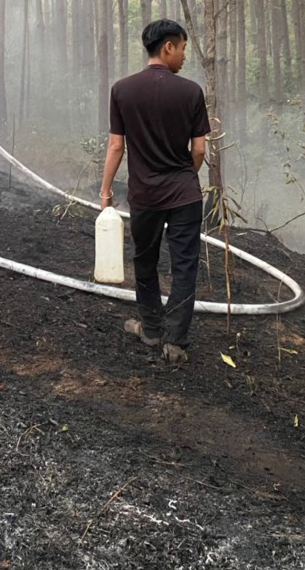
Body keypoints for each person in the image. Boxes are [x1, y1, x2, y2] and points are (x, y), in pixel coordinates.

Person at [99, 19, 210, 365]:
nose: (184, 56)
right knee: (184, 265)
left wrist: (105, 192)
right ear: (167, 47)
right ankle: (175, 341)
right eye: (183, 48)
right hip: (184, 196)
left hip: (143, 196)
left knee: (144, 260)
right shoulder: (191, 92)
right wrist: (184, 179)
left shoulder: (122, 90)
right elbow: (200, 151)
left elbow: (117, 146)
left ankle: (150, 330)